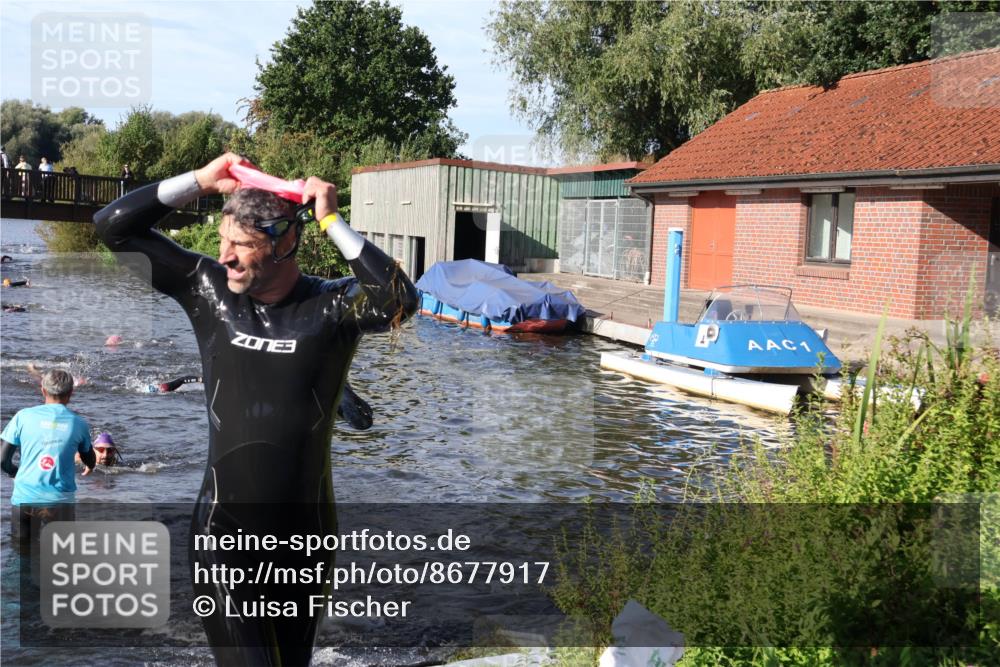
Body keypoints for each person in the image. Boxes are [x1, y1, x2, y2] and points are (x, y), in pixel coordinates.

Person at [94, 152, 417, 665]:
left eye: (242, 245)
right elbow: (111, 228)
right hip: (225, 535)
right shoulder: (208, 291)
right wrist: (199, 181)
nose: (225, 256)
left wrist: (331, 219)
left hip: (306, 539)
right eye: (224, 241)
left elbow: (398, 298)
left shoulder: (330, 307)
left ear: (285, 242)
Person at [0, 370, 96, 542]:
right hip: (60, 502)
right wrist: (89, 465)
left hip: (25, 498)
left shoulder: (23, 416)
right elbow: (90, 459)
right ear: (71, 393)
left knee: (21, 555)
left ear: (43, 390)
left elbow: (2, 460)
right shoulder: (79, 423)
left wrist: (15, 472)